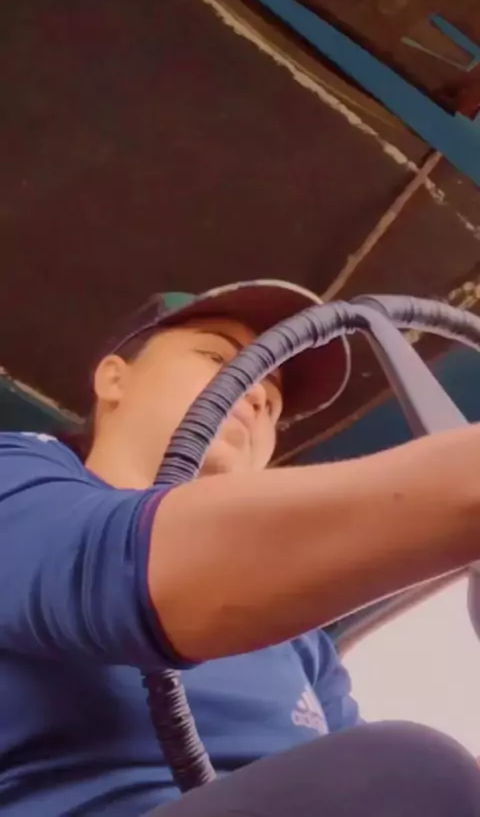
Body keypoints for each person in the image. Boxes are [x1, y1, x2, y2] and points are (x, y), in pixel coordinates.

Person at [1, 278, 480, 817]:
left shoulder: (304, 643)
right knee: (410, 771)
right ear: (115, 377)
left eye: (273, 402)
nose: (255, 393)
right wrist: (460, 487)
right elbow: (113, 569)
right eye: (217, 358)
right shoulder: (15, 473)